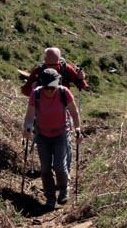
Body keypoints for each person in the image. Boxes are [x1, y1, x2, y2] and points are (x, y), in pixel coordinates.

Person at [21, 47, 88, 176]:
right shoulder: (38, 71)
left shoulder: (66, 69)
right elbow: (25, 90)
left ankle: (65, 172)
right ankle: (48, 171)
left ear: (59, 61)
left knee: (65, 141)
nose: (52, 67)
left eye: (55, 64)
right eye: (49, 65)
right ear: (45, 61)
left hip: (63, 107)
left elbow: (81, 86)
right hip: (42, 110)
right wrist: (33, 90)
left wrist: (81, 78)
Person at [22, 68, 83, 208]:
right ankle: (50, 197)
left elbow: (74, 113)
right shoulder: (36, 94)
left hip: (61, 133)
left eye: (52, 87)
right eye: (46, 87)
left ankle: (63, 190)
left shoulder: (64, 92)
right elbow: (30, 115)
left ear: (57, 84)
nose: (49, 91)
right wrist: (27, 128)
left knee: (59, 166)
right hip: (42, 135)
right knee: (45, 169)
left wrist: (78, 130)